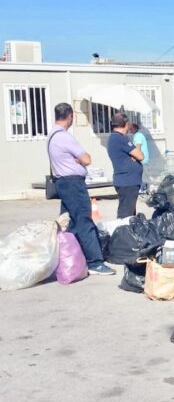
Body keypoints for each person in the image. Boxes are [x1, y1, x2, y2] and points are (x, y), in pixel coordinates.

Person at [47, 103, 115, 276]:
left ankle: (69, 257)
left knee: (67, 223)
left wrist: (76, 160)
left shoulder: (51, 135)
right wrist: (79, 160)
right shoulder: (64, 137)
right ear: (70, 116)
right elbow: (87, 159)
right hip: (73, 184)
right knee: (84, 221)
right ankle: (95, 262)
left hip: (62, 182)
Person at [107, 112, 145, 219]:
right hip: (127, 181)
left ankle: (128, 233)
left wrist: (133, 155)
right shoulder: (121, 138)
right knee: (126, 214)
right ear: (126, 124)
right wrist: (135, 154)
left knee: (129, 213)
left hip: (127, 180)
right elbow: (140, 156)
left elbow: (135, 155)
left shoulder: (115, 138)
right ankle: (123, 233)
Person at [128, 122, 150, 192]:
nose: (129, 130)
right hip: (142, 158)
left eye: (131, 129)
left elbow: (138, 147)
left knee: (141, 174)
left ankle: (142, 188)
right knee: (142, 174)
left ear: (134, 128)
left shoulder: (138, 136)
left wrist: (135, 157)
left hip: (142, 159)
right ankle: (143, 188)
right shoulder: (138, 135)